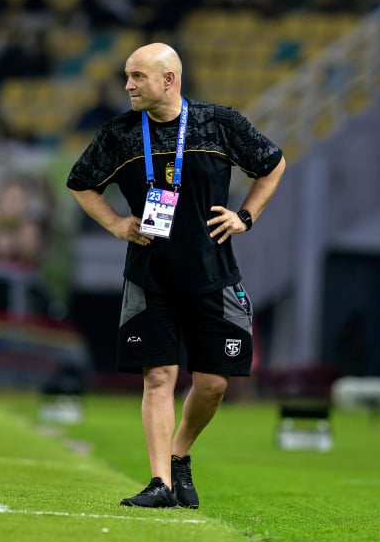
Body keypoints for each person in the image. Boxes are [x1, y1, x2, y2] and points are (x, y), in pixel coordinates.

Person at [66, 42, 286, 508]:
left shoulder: (219, 123)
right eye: (127, 76)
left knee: (213, 384)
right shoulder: (120, 134)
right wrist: (116, 223)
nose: (127, 85)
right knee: (159, 377)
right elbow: (81, 183)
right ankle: (160, 483)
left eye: (137, 76)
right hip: (151, 276)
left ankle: (179, 453)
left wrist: (246, 216)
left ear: (169, 80)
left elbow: (273, 163)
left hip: (214, 274)